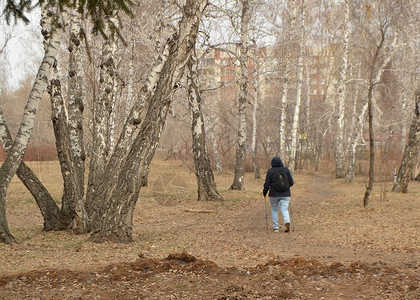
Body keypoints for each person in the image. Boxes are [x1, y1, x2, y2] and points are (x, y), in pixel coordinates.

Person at [263, 156, 294, 232]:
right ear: (281, 162)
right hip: (286, 194)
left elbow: (267, 184)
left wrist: (265, 192)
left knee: (274, 209)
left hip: (273, 194)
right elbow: (292, 182)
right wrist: (286, 188)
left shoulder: (270, 171)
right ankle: (287, 221)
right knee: (284, 209)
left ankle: (276, 227)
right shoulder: (286, 170)